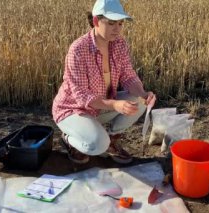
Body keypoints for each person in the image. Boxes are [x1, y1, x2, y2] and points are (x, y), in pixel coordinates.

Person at [52, 0, 156, 164]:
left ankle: (112, 141)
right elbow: (82, 97)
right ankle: (69, 139)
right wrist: (115, 105)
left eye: (121, 23)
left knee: (141, 101)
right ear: (95, 21)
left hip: (101, 107)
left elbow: (128, 76)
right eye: (112, 23)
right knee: (97, 145)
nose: (117, 29)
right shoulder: (78, 50)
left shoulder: (120, 44)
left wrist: (144, 94)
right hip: (73, 110)